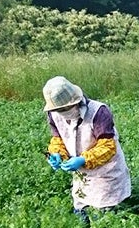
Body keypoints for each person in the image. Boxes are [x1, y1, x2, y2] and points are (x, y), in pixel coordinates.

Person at [43, 76, 131, 219]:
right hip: (82, 174)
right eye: (60, 109)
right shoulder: (54, 114)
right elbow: (58, 138)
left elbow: (107, 146)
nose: (63, 112)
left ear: (76, 101)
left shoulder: (98, 112)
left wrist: (83, 159)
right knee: (81, 209)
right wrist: (58, 154)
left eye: (66, 108)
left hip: (105, 171)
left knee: (104, 215)